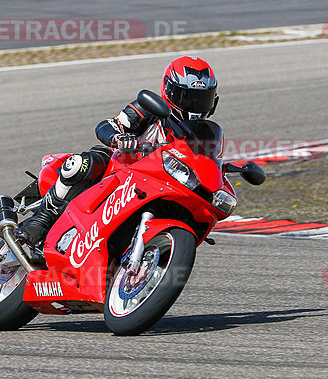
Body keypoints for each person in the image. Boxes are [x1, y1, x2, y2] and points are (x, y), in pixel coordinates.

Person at [14, 55, 219, 247]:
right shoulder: (149, 109)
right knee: (80, 164)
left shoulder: (205, 135)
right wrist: (117, 138)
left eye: (201, 99)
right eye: (188, 98)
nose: (194, 105)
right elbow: (107, 125)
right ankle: (40, 221)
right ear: (169, 91)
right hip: (122, 168)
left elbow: (207, 164)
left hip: (161, 185)